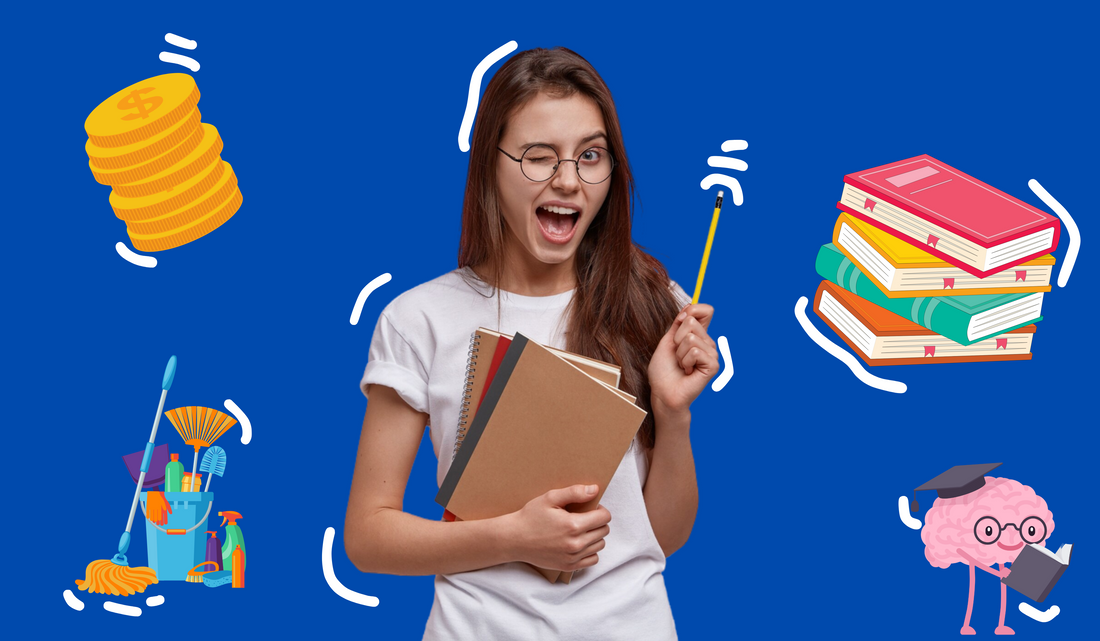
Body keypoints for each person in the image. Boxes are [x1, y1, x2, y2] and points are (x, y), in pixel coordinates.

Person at [344, 47, 719, 640]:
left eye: (590, 156)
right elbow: (367, 538)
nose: (568, 180)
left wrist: (674, 416)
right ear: (490, 164)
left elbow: (661, 539)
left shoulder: (653, 301)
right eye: (539, 158)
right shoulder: (419, 319)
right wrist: (512, 537)